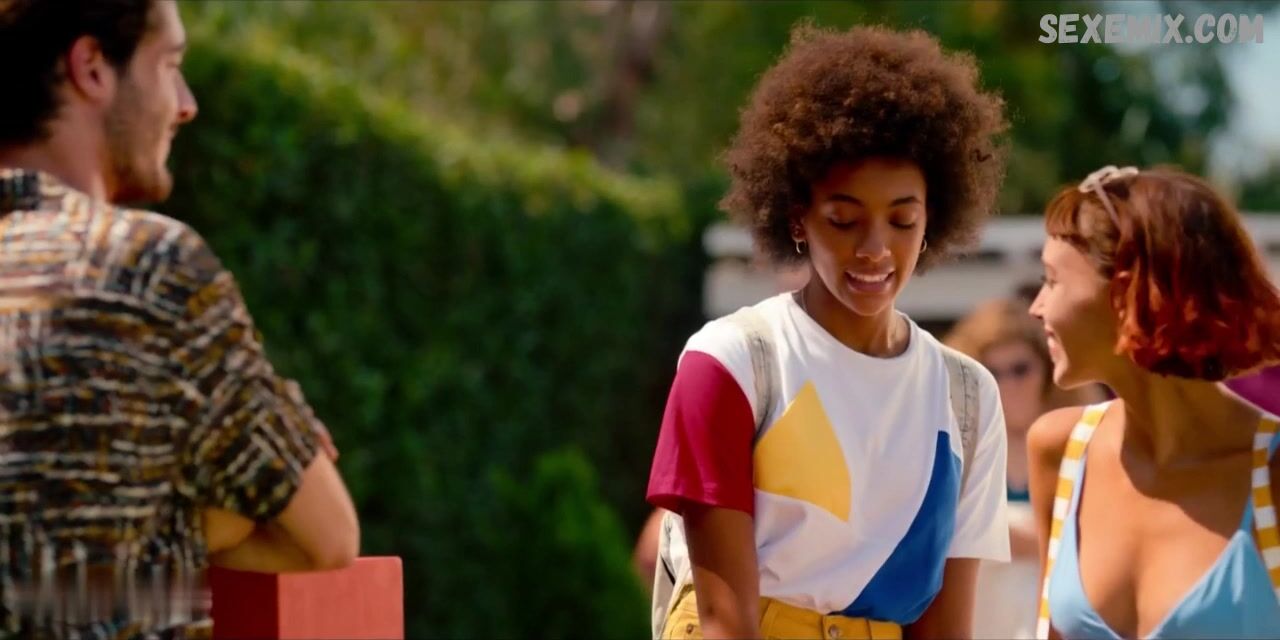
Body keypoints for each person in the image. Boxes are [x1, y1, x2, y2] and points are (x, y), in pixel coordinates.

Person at [0, 1, 359, 637]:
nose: (187, 104)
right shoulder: (146, 271)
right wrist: (171, 526)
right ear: (91, 67)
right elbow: (328, 537)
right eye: (169, 65)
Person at [646, 24, 1011, 639]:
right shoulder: (729, 363)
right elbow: (725, 623)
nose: (875, 249)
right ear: (798, 219)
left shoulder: (969, 398)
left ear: (933, 220)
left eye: (903, 221)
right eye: (844, 220)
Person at [1028, 165, 1280, 639]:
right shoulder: (1060, 451)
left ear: (1128, 292)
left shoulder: (1272, 471)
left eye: (1052, 280)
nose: (1036, 306)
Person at [943, 298, 1102, 639]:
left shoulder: (1082, 438)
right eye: (993, 373)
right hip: (980, 622)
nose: (1008, 384)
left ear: (1046, 369)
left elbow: (1103, 538)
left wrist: (1010, 538)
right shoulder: (957, 447)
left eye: (1020, 369)